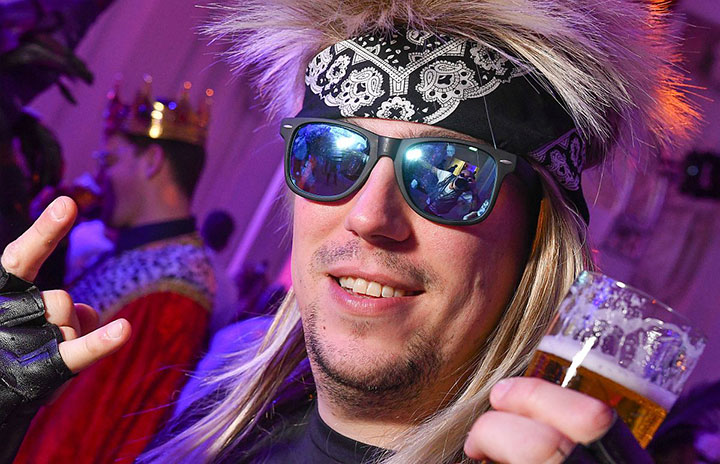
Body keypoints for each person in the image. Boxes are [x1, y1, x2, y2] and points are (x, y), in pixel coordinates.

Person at [0, 1, 697, 464]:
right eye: (332, 155)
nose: (369, 216)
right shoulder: (207, 433)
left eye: (449, 174)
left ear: (536, 240)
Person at [11, 78, 217, 464]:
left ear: (151, 160)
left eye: (110, 161)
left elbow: (90, 430)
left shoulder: (173, 289)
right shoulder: (146, 257)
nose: (100, 178)